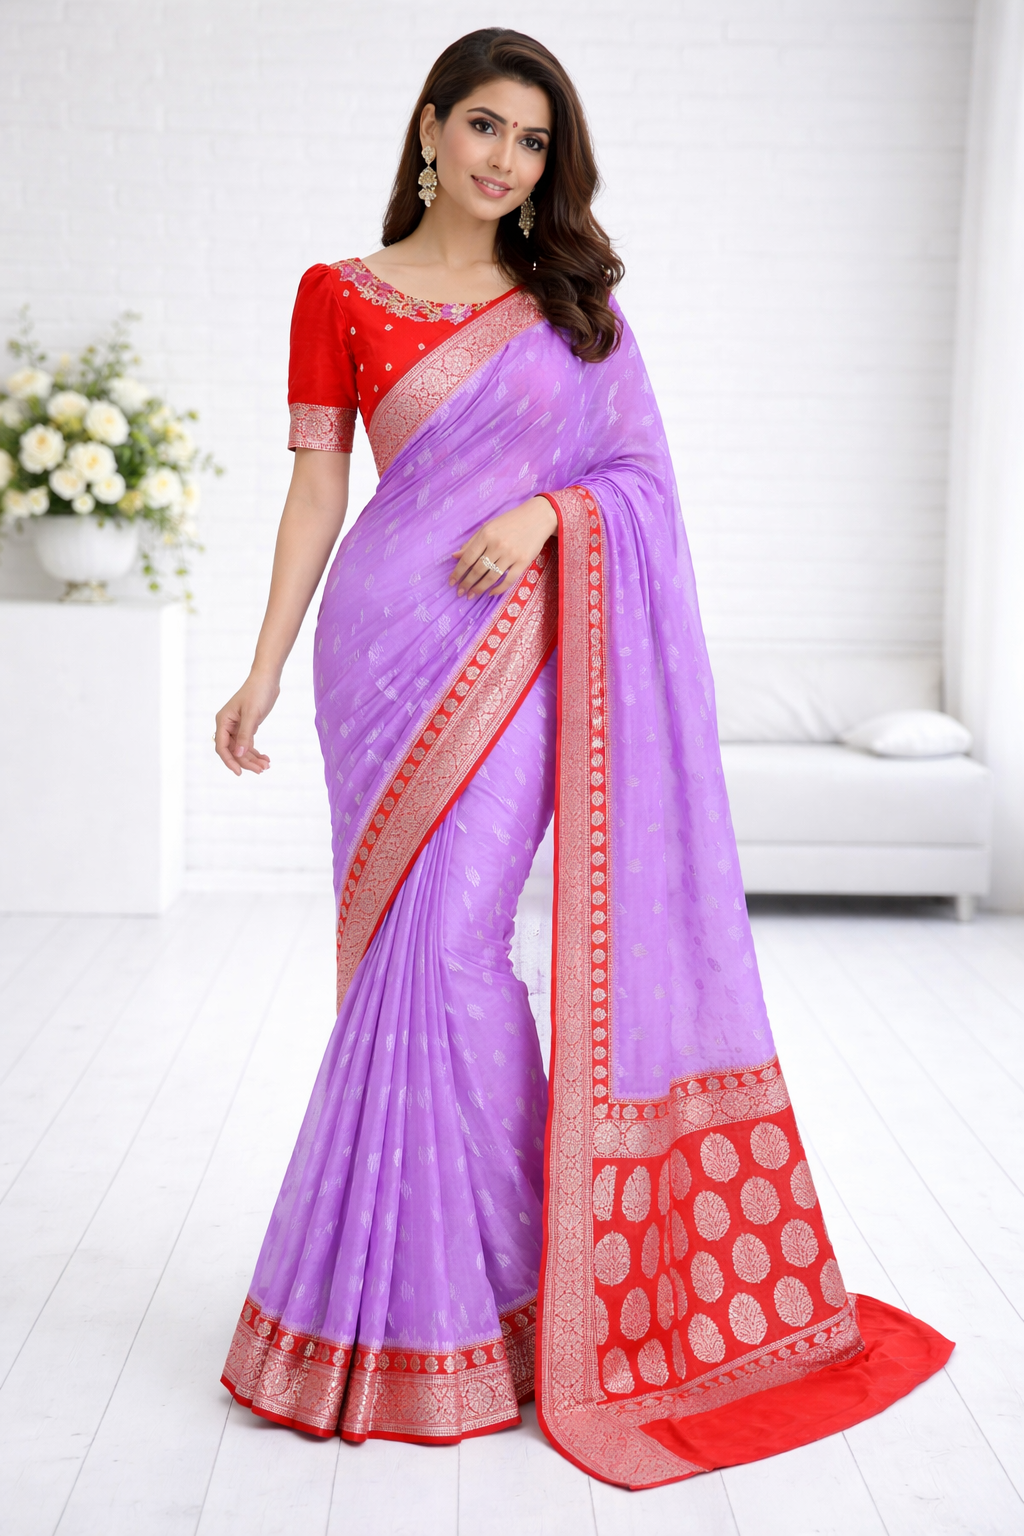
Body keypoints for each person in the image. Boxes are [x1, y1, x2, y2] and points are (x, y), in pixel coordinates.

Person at [213, 27, 951, 1489]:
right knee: (400, 968)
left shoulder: (574, 304)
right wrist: (263, 663)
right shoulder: (337, 295)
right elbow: (315, 492)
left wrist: (553, 518)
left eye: (533, 140)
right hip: (382, 654)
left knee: (460, 956)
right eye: (483, 127)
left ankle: (530, 1295)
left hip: (523, 655)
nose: (505, 160)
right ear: (429, 130)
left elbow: (639, 486)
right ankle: (438, 1310)